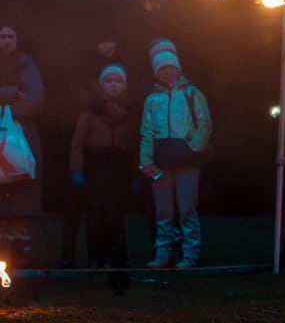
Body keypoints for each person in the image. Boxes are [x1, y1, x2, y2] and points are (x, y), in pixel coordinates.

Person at [0, 24, 46, 265]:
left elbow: (36, 97)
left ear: (17, 38)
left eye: (11, 36)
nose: (6, 41)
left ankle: (17, 245)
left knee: (19, 185)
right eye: (2, 36)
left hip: (20, 132)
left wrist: (5, 110)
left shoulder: (26, 63)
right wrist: (13, 92)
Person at [138, 51, 211, 268]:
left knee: (187, 207)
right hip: (162, 160)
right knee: (164, 210)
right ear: (157, 72)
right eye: (163, 68)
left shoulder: (192, 93)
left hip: (186, 160)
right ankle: (163, 254)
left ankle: (190, 255)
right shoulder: (152, 100)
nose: (168, 71)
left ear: (178, 69)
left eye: (171, 67)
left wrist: (192, 148)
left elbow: (204, 123)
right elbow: (146, 131)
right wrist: (147, 161)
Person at [71, 65, 139, 271]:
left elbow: (137, 145)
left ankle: (116, 257)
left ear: (125, 86)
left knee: (116, 213)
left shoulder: (132, 112)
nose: (114, 85)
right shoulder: (89, 112)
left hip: (120, 165)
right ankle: (95, 257)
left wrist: (136, 173)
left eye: (118, 81)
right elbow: (77, 144)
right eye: (109, 81)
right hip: (96, 165)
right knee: (95, 212)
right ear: (101, 85)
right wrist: (76, 171)